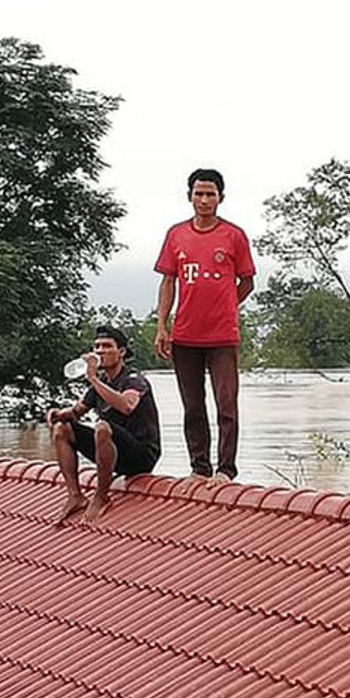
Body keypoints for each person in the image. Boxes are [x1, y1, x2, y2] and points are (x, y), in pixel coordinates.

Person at [153, 167, 256, 484]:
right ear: (190, 197)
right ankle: (199, 467)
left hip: (222, 335)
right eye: (199, 193)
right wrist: (162, 325)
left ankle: (226, 469)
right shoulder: (176, 235)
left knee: (226, 404)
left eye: (210, 194)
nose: (204, 199)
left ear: (220, 198)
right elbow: (168, 282)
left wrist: (226, 305)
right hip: (185, 335)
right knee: (192, 406)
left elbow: (248, 281)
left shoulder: (233, 235)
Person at [46, 325, 162, 522]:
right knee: (62, 429)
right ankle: (75, 496)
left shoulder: (134, 379)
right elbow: (76, 412)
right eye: (97, 347)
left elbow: (127, 405)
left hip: (141, 454)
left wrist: (92, 379)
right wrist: (57, 415)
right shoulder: (100, 383)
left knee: (101, 426)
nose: (100, 351)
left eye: (107, 346)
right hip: (111, 448)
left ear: (121, 352)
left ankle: (101, 497)